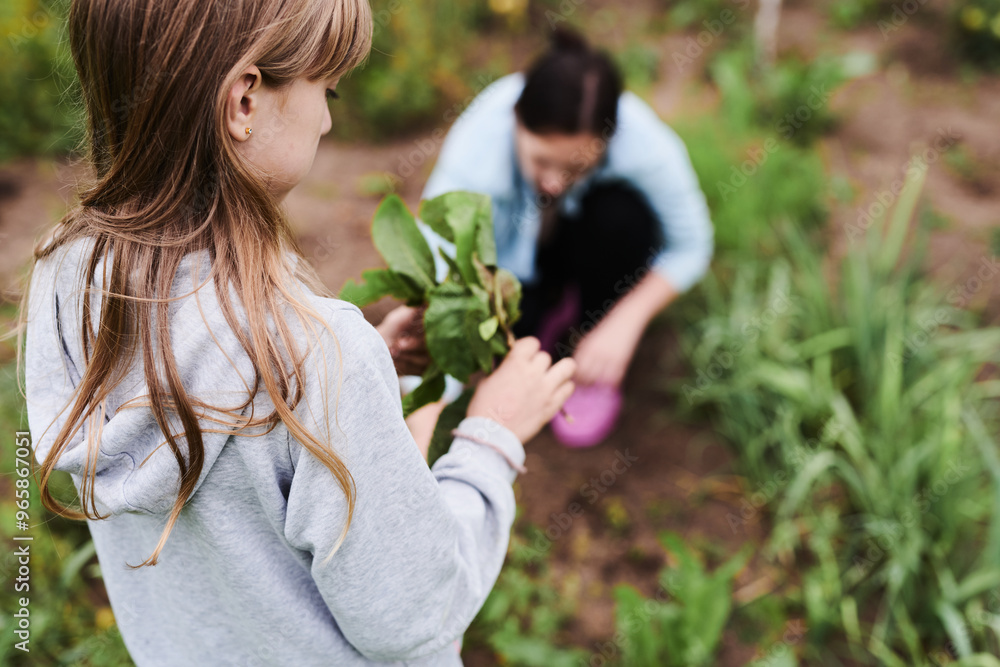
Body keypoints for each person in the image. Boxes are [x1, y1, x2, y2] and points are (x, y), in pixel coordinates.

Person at [16, 1, 575, 665]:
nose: (330, 118)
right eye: (326, 87)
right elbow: (418, 611)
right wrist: (491, 437)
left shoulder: (69, 278)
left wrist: (380, 377)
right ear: (244, 100)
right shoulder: (316, 353)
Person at [419, 28, 714, 448]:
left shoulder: (643, 142)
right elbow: (440, 275)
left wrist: (624, 322)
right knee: (498, 343)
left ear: (609, 138)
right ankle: (548, 311)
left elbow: (692, 245)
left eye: (575, 168)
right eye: (542, 161)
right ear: (516, 119)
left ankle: (592, 333)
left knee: (621, 217)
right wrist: (426, 408)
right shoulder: (476, 149)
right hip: (510, 266)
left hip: (586, 241)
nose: (554, 183)